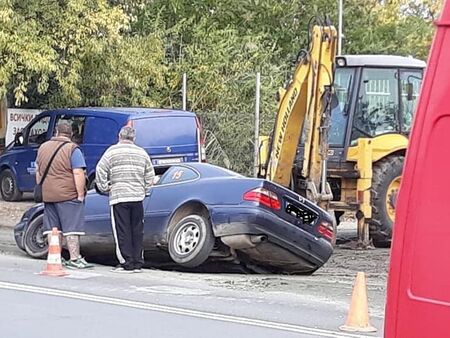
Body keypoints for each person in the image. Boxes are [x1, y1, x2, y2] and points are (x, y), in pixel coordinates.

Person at [96, 126, 154, 273]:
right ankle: (138, 262)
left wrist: (104, 187)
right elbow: (150, 174)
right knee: (137, 229)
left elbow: (100, 169)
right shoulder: (142, 152)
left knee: (122, 230)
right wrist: (146, 191)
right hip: (137, 196)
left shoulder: (112, 151)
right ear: (133, 138)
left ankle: (126, 262)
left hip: (119, 196)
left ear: (119, 136)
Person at [36, 121, 93, 269]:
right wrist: (80, 194)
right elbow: (78, 172)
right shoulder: (72, 149)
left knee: (52, 228)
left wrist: (44, 187)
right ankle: (75, 259)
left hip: (48, 195)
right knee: (72, 228)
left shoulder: (43, 147)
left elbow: (38, 171)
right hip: (68, 195)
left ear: (56, 132)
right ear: (71, 134)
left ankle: (55, 256)